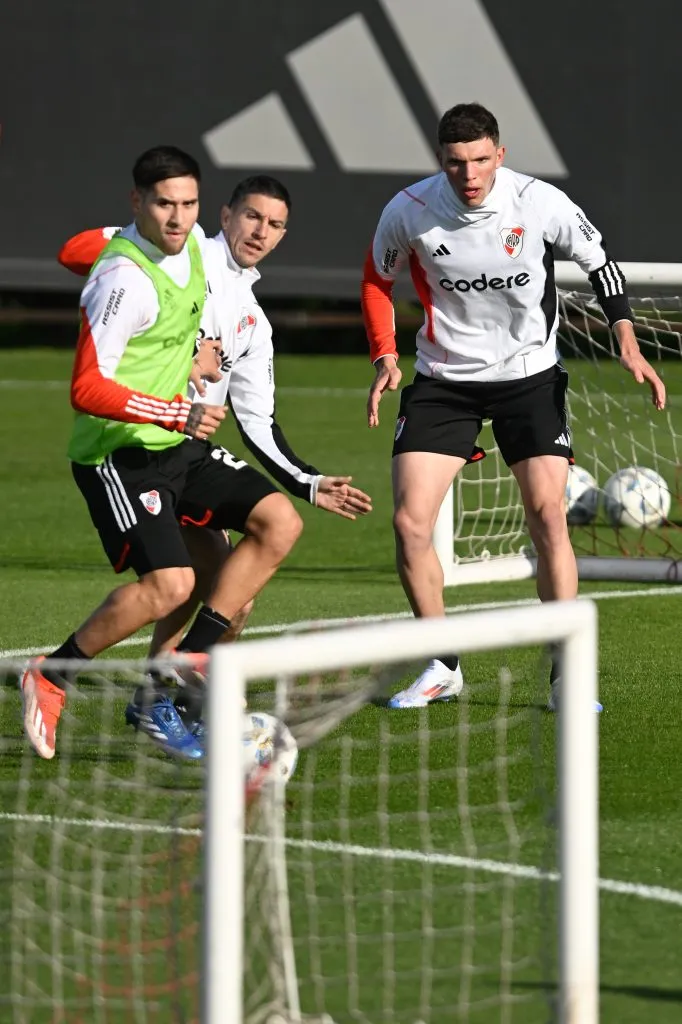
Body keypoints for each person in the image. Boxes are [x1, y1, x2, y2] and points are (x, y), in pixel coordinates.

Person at [361, 102, 666, 710]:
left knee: (549, 516)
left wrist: (626, 337)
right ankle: (442, 663)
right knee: (410, 524)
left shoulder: (539, 202)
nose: (469, 174)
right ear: (440, 160)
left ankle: (566, 674)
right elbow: (377, 280)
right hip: (443, 379)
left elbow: (601, 265)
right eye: (455, 163)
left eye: (480, 160)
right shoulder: (409, 210)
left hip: (529, 377)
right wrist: (385, 356)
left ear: (499, 154)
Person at [55, 174, 373, 745]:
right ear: (225, 216)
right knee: (187, 583)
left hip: (190, 454)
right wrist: (129, 239)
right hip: (136, 445)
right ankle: (148, 686)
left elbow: (258, 421)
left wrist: (308, 482)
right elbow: (73, 251)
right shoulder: (183, 248)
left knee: (234, 596)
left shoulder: (253, 322)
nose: (261, 231)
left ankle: (169, 689)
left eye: (275, 225)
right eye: (252, 216)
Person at [21, 147, 304, 760]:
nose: (177, 218)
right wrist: (176, 409)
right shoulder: (123, 278)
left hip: (178, 444)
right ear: (138, 203)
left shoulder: (196, 251)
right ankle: (52, 674)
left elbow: (180, 329)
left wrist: (195, 353)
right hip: (119, 452)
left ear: (204, 206)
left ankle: (181, 667)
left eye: (188, 204)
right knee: (172, 585)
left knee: (278, 523)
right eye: (164, 205)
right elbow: (85, 389)